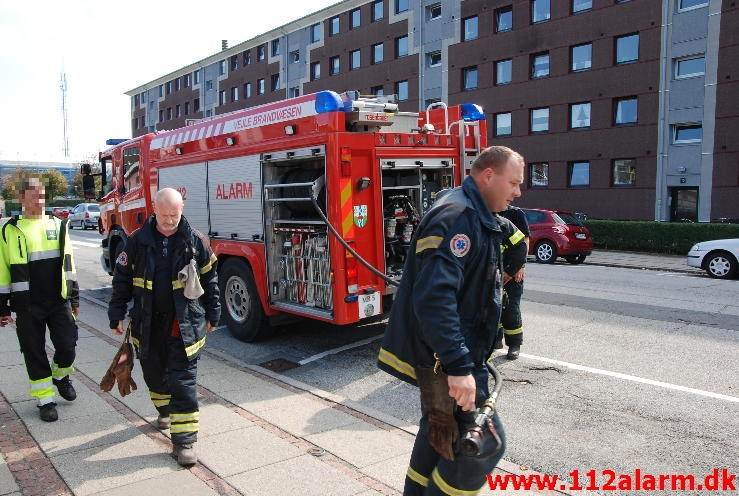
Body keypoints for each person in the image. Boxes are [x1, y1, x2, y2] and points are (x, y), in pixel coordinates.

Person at [377, 146, 528, 495]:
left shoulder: (472, 211)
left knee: (439, 433)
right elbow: (434, 299)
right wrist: (460, 367)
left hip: (447, 357)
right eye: (514, 183)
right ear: (488, 176)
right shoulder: (459, 216)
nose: (518, 192)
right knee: (484, 446)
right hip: (452, 361)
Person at [108, 188, 220, 466]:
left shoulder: (197, 242)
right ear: (154, 210)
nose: (170, 220)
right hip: (147, 324)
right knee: (155, 376)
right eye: (165, 214)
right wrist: (116, 314)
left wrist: (213, 313)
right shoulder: (135, 242)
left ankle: (184, 443)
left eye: (175, 214)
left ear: (182, 209)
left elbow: (211, 280)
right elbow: (121, 280)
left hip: (183, 325)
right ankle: (164, 410)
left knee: (183, 383)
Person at [0, 177, 80, 422]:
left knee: (67, 346)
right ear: (21, 198)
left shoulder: (58, 225)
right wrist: (2, 307)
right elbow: (3, 270)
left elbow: (68, 263)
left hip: (58, 301)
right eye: (33, 195)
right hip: (27, 305)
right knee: (33, 352)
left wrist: (74, 298)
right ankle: (45, 399)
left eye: (42, 194)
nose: (39, 200)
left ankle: (60, 375)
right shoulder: (10, 229)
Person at [495, 205, 530, 360]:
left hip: (512, 269)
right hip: (494, 272)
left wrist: (520, 266)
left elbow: (524, 241)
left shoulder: (515, 214)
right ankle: (496, 340)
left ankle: (514, 344)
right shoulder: (485, 212)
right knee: (493, 307)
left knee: (510, 308)